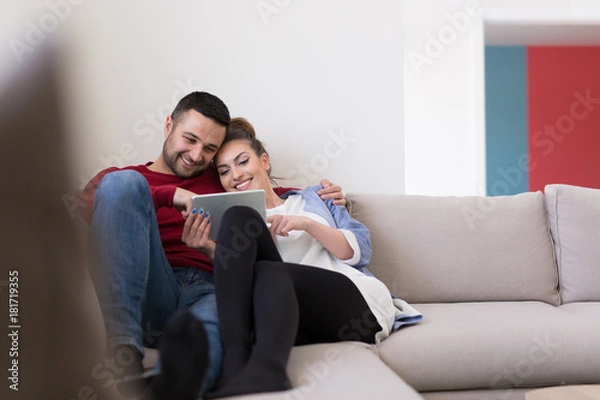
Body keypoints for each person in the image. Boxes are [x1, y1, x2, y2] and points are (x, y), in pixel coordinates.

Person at [84, 92, 346, 399]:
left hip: (212, 287)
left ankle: (171, 384)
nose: (196, 156)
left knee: (213, 332)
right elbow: (90, 211)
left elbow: (268, 196)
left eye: (209, 149)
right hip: (151, 286)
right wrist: (172, 195)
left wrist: (323, 196)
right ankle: (124, 353)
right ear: (168, 126)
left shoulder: (219, 177)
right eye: (190, 139)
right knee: (122, 185)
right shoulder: (123, 179)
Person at [178, 117, 422, 399]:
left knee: (272, 273)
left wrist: (306, 224)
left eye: (242, 161)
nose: (235, 175)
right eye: (224, 171)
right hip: (293, 315)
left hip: (356, 306)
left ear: (264, 161)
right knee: (240, 218)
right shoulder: (237, 229)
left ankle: (266, 371)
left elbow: (357, 252)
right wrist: (209, 248)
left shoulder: (314, 199)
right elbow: (244, 286)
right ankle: (236, 363)